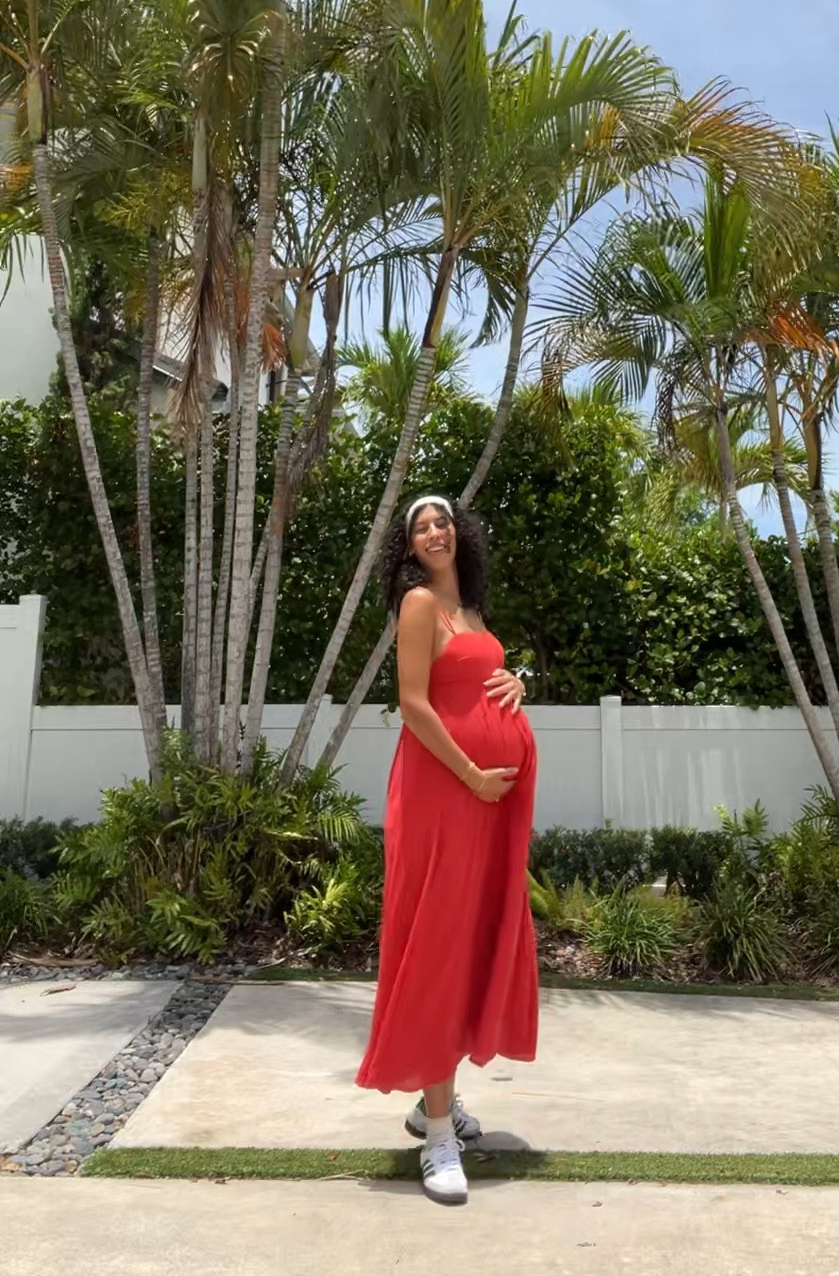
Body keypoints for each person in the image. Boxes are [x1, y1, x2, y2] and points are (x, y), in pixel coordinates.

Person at [356, 493, 538, 1205]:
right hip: (443, 796)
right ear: (408, 547)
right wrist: (471, 775)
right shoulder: (419, 604)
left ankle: (435, 1104)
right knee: (437, 943)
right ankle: (437, 1138)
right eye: (420, 527)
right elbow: (414, 704)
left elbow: (475, 682)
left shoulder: (471, 610)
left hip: (486, 806)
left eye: (442, 522)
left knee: (468, 942)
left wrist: (517, 681)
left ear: (460, 533)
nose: (433, 532)